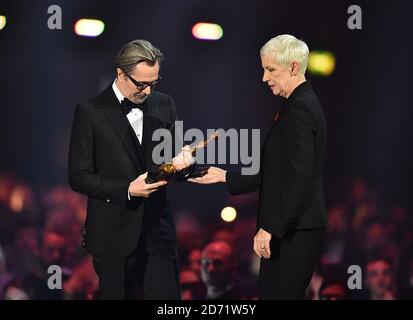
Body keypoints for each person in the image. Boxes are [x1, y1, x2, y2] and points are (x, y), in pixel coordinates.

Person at [190, 34, 328, 299]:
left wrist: (271, 227)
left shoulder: (300, 109)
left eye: (270, 69)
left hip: (293, 230)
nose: (264, 78)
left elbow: (299, 176)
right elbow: (280, 172)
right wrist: (226, 176)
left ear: (294, 67)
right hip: (292, 226)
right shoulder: (297, 105)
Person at [68, 39, 193, 299]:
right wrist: (126, 189)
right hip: (113, 235)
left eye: (154, 82)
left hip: (158, 231)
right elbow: (79, 177)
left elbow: (173, 157)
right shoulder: (90, 112)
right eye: (141, 84)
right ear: (120, 74)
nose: (148, 91)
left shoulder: (164, 103)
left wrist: (184, 163)